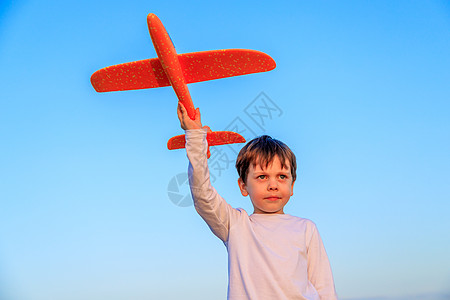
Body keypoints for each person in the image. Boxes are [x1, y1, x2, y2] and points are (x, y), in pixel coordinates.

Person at [177, 102, 338, 300]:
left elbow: (324, 289)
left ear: (292, 185)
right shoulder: (235, 225)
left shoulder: (306, 228)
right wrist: (195, 140)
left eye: (282, 176)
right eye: (262, 177)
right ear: (243, 186)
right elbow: (202, 195)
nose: (273, 185)